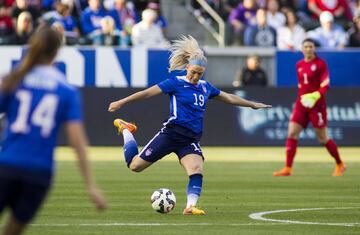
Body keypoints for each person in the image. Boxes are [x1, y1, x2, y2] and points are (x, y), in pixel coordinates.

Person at [108, 35, 271, 215]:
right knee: (134, 166)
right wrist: (122, 102)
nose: (195, 76)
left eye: (199, 73)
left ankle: (190, 206)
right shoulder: (175, 83)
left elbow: (230, 97)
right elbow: (147, 93)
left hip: (190, 139)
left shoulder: (205, 87)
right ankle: (126, 129)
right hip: (171, 134)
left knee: (196, 169)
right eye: (193, 72)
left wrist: (252, 104)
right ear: (187, 68)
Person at [0, 26, 107, 235]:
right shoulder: (66, 90)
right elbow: (77, 142)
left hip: (7, 166)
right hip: (39, 174)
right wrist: (91, 186)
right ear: (58, 52)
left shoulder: (14, 79)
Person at [273, 38, 346, 177]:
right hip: (301, 104)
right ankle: (288, 168)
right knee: (292, 133)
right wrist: (303, 98)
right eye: (305, 46)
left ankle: (340, 163)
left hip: (316, 105)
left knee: (323, 139)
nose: (308, 49)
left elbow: (326, 85)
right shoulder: (299, 64)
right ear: (302, 49)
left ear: (314, 48)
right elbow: (302, 85)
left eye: (310, 46)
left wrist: (315, 95)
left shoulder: (320, 64)